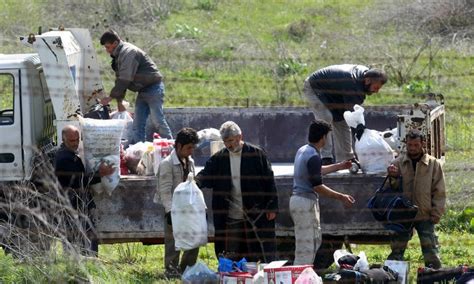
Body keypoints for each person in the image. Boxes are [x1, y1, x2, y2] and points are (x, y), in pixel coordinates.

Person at [196, 121, 278, 262]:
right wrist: (193, 184)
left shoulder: (256, 154)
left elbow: (269, 181)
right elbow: (206, 175)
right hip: (230, 214)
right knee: (231, 252)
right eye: (225, 141)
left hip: (254, 213)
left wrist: (272, 206)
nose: (229, 145)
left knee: (256, 251)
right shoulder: (219, 158)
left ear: (240, 137)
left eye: (231, 141)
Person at [291, 119, 355, 265]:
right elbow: (317, 186)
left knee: (307, 243)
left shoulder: (304, 150)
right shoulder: (313, 155)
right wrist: (341, 196)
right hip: (305, 203)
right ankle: (302, 278)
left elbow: (315, 171)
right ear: (323, 138)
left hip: (297, 201)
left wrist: (340, 166)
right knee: (307, 246)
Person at [304, 64, 388, 164]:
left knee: (342, 121)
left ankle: (346, 158)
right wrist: (362, 135)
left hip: (333, 93)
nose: (377, 91)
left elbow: (350, 117)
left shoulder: (364, 76)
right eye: (376, 87)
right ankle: (326, 157)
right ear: (367, 81)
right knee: (326, 118)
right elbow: (353, 118)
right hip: (314, 86)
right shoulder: (353, 84)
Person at [99, 29, 173, 143]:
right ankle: (140, 152)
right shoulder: (119, 56)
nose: (107, 51)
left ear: (115, 43)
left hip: (153, 88)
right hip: (142, 90)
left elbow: (125, 79)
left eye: (108, 47)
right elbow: (120, 79)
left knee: (158, 121)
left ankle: (171, 147)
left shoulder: (129, 52)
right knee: (138, 125)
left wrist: (110, 97)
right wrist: (119, 101)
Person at [386, 129, 446, 268]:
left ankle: (435, 277)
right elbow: (391, 190)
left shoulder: (433, 164)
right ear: (406, 144)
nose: (412, 148)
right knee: (397, 252)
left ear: (422, 144)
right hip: (403, 215)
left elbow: (439, 191)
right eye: (410, 145)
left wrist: (436, 212)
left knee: (431, 252)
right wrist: (392, 177)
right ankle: (392, 277)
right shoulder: (397, 163)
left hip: (424, 214)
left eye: (416, 145)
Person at [54, 125, 114, 255]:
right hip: (73, 206)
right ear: (63, 139)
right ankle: (86, 265)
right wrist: (100, 174)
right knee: (83, 240)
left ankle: (81, 265)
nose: (75, 143)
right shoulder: (64, 158)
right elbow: (79, 181)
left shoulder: (70, 154)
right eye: (72, 140)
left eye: (77, 139)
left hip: (77, 204)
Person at [155, 127, 200, 276]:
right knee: (172, 243)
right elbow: (164, 191)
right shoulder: (167, 164)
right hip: (173, 208)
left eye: (193, 148)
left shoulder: (190, 162)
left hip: (189, 207)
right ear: (179, 146)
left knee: (193, 239)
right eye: (188, 148)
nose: (191, 151)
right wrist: (169, 212)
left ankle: (186, 269)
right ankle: (171, 271)